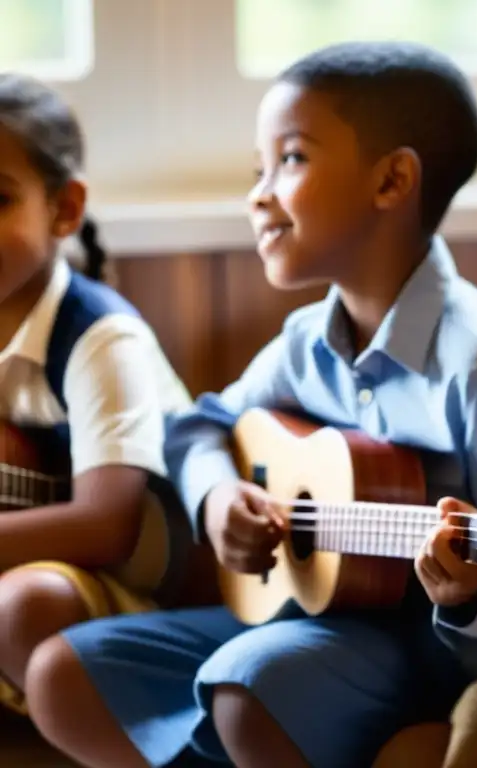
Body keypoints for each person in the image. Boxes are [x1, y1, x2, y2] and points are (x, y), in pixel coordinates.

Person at [25, 41, 477, 768]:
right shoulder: (305, 343)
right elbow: (198, 426)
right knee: (63, 674)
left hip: (442, 653)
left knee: (251, 683)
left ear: (391, 181)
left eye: (289, 160)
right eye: (259, 168)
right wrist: (219, 495)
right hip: (312, 617)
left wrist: (470, 591)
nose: (259, 193)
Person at [0, 74, 193, 715]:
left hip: (154, 588)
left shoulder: (100, 337)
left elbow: (106, 527)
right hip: (41, 560)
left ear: (64, 209)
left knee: (25, 608)